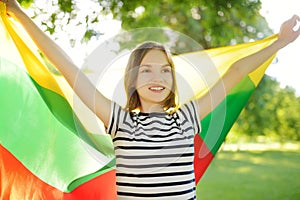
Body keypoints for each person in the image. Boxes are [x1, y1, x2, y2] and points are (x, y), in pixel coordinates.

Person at [1, 0, 300, 199]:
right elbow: (69, 69)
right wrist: (18, 11)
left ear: (172, 80)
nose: (156, 77)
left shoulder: (186, 118)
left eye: (165, 71)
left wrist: (280, 42)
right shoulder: (119, 120)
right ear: (132, 80)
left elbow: (235, 70)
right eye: (146, 70)